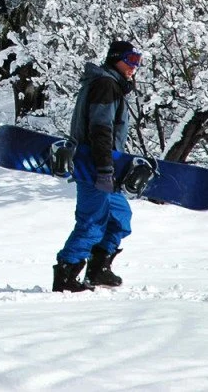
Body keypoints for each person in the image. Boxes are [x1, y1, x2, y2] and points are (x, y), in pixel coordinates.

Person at [52, 40, 142, 293]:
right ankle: (66, 275)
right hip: (95, 165)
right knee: (92, 221)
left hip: (106, 165)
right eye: (131, 61)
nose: (135, 67)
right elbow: (100, 128)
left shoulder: (110, 85)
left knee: (119, 218)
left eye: (138, 62)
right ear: (116, 59)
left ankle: (98, 269)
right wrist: (104, 169)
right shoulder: (105, 85)